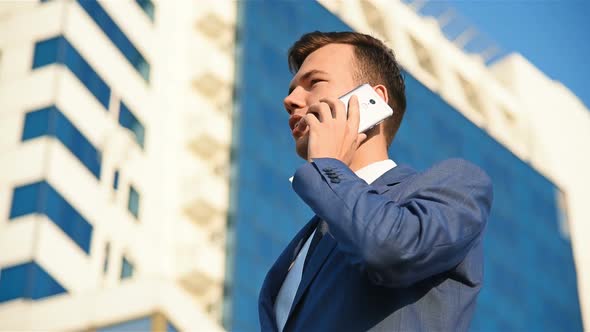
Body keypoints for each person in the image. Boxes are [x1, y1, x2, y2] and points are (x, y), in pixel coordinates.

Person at [258, 31, 493, 332]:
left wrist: (328, 166)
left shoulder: (460, 184)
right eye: (292, 90)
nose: (290, 100)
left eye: (314, 82)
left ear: (372, 99)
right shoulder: (297, 253)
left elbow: (393, 251)